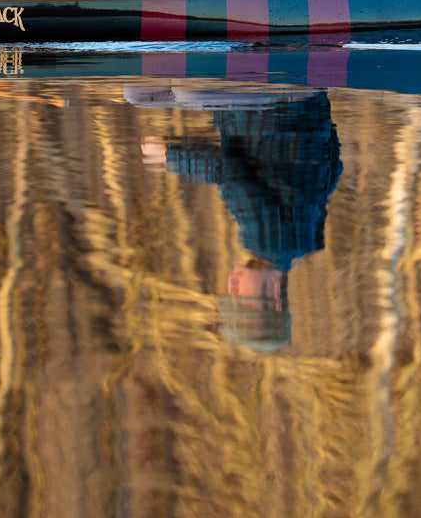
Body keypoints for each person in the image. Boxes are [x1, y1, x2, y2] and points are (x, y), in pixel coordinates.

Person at [134, 83, 343, 353]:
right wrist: (169, 157)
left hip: (308, 97)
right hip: (269, 100)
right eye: (241, 299)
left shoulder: (307, 235)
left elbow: (334, 161)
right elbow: (227, 171)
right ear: (276, 298)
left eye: (229, 295)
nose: (231, 285)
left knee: (142, 94)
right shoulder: (270, 243)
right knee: (180, 92)